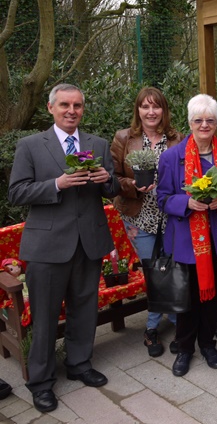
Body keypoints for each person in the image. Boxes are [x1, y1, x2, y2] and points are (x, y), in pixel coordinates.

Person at [8, 83, 120, 413]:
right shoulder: (30, 145)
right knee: (43, 317)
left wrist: (104, 180)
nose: (72, 110)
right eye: (65, 105)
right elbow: (16, 193)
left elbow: (112, 187)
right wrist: (57, 184)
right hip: (47, 246)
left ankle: (79, 364)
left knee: (84, 308)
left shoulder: (97, 144)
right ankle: (40, 382)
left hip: (89, 242)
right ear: (51, 108)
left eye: (78, 105)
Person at [156, 94, 217, 377]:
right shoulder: (172, 156)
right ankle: (184, 348)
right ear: (189, 123)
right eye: (198, 120)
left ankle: (208, 344)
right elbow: (162, 199)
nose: (204, 125)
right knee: (187, 299)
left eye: (209, 120)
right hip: (186, 240)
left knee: (212, 297)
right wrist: (186, 203)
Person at [110, 87, 183, 358]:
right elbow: (112, 178)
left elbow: (188, 171)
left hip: (172, 216)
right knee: (154, 271)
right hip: (139, 216)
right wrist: (131, 184)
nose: (151, 112)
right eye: (145, 107)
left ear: (164, 109)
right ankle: (158, 326)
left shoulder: (177, 139)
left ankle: (166, 323)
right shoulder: (124, 138)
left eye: (156, 106)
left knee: (172, 269)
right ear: (137, 110)